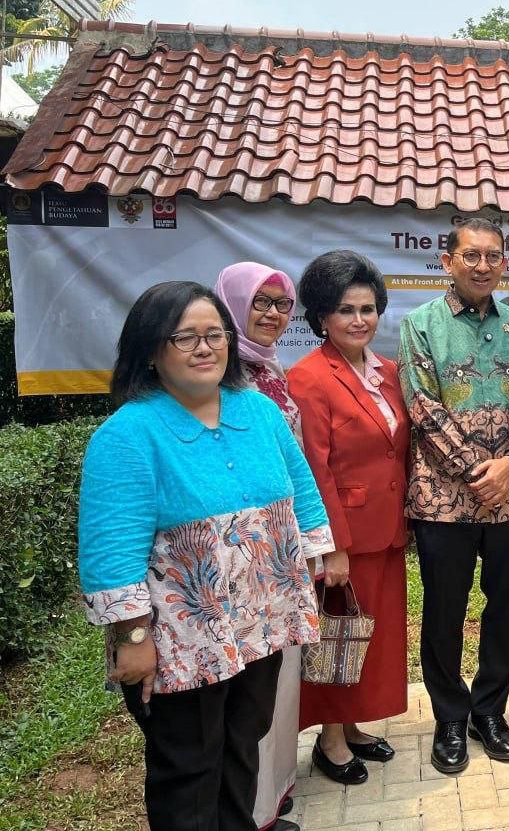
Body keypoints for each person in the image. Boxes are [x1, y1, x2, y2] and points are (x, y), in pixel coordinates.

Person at [78, 281, 332, 831]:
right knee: (188, 769)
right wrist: (134, 640)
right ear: (150, 350)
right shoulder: (127, 435)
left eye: (214, 334)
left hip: (261, 623)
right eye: (185, 337)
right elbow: (111, 551)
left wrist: (315, 556)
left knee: (243, 745)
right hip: (180, 641)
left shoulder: (259, 411)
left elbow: (302, 489)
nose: (204, 347)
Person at [399, 218, 509, 775]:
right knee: (444, 611)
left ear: (504, 264)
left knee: (505, 608)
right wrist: (476, 470)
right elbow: (422, 406)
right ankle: (450, 718)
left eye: (492, 257)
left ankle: (489, 711)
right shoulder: (420, 326)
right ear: (448, 261)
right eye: (471, 256)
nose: (482, 266)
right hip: (445, 499)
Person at [289, 251, 410, 785]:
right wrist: (331, 545)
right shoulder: (309, 378)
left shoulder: (387, 371)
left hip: (386, 530)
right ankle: (331, 739)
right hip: (346, 538)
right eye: (345, 310)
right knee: (337, 634)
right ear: (321, 318)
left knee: (372, 635)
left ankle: (355, 724)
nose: (360, 320)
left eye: (368, 308)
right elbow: (314, 469)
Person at [215, 261, 308, 831]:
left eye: (281, 303)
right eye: (261, 302)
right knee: (247, 692)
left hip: (283, 547)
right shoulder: (223, 374)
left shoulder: (271, 368)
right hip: (237, 556)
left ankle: (270, 797)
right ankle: (248, 813)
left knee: (278, 679)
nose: (273, 314)